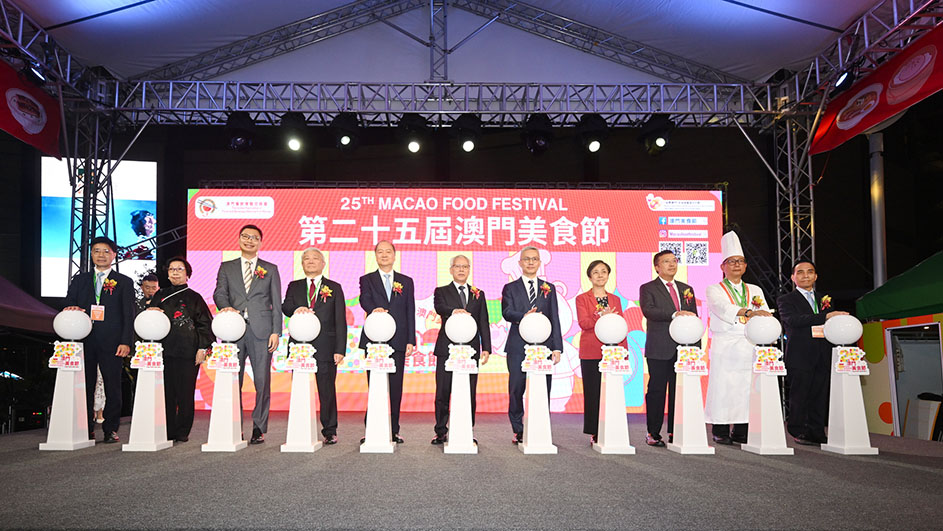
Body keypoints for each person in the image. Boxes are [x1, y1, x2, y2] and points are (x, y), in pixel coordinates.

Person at [213, 224, 283, 444]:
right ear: (239, 239)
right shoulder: (227, 267)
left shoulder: (270, 268)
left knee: (262, 381)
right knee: (234, 379)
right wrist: (226, 307)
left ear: (260, 242)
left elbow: (276, 302)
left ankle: (259, 427)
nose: (249, 240)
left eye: (254, 238)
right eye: (246, 236)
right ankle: (234, 424)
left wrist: (276, 331)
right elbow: (219, 293)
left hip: (262, 331)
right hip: (233, 330)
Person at [63, 236, 135, 443]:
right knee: (83, 385)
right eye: (96, 251)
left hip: (113, 342)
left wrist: (126, 341)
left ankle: (110, 429)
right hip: (84, 340)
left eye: (106, 251)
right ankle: (85, 428)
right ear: (91, 254)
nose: (101, 255)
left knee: (113, 386)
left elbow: (128, 314)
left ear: (114, 255)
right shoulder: (80, 280)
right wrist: (71, 307)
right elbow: (68, 302)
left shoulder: (124, 282)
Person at [704, 231, 772, 445]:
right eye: (731, 261)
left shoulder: (754, 289)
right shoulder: (714, 289)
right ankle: (721, 429)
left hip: (750, 344)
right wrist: (748, 312)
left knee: (748, 389)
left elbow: (765, 312)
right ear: (722, 266)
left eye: (740, 261)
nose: (736, 265)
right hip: (725, 344)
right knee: (723, 387)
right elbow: (721, 307)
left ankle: (742, 430)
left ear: (745, 266)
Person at [281, 247, 347, 445]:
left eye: (315, 258)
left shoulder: (334, 287)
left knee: (326, 391)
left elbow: (340, 319)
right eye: (306, 259)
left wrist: (340, 349)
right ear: (302, 264)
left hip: (326, 346)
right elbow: (285, 307)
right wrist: (297, 308)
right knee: (300, 388)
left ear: (323, 263)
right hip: (300, 347)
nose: (310, 261)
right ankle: (301, 427)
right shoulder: (294, 286)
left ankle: (330, 430)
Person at [778, 260, 848, 445]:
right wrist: (825, 316)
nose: (805, 275)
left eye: (809, 272)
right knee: (799, 395)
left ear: (815, 276)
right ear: (793, 277)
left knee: (820, 395)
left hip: (823, 352)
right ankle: (798, 430)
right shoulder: (786, 300)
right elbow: (794, 320)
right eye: (800, 272)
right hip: (800, 354)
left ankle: (817, 431)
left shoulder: (824, 299)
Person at [147, 257, 214, 442]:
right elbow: (149, 321)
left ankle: (183, 431)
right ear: (167, 273)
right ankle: (167, 430)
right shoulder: (160, 295)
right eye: (172, 269)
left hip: (188, 351)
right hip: (163, 351)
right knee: (166, 393)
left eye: (180, 269)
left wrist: (202, 348)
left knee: (185, 393)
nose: (175, 272)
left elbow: (205, 325)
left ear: (187, 274)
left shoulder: (195, 297)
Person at [501, 246, 562, 445]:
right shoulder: (510, 288)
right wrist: (524, 317)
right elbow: (506, 312)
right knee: (516, 388)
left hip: (543, 346)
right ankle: (518, 429)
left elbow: (554, 317)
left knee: (543, 387)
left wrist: (556, 347)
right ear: (520, 263)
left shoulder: (548, 288)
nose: (530, 262)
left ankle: (540, 426)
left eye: (534, 259)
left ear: (539, 262)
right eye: (526, 259)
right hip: (517, 345)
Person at [639, 250, 699, 447]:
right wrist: (675, 314)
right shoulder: (648, 288)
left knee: (679, 391)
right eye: (666, 261)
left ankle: (676, 430)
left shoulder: (686, 288)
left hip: (684, 349)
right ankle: (653, 432)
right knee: (656, 390)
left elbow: (693, 316)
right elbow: (649, 311)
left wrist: (695, 347)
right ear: (657, 267)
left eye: (674, 261)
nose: (672, 264)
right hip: (659, 347)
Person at [358, 240, 415, 444]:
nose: (384, 255)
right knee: (375, 385)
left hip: (399, 339)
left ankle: (394, 430)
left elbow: (409, 310)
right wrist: (373, 309)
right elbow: (364, 299)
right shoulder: (367, 279)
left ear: (394, 255)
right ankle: (371, 429)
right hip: (375, 339)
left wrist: (410, 340)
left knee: (396, 387)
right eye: (380, 252)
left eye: (388, 252)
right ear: (375, 256)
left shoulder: (406, 281)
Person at [431, 255, 491, 445]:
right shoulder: (441, 291)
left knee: (469, 391)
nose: (461, 269)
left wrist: (486, 347)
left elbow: (483, 321)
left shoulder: (478, 293)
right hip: (446, 349)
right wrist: (453, 311)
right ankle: (441, 431)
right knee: (443, 391)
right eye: (457, 266)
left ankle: (466, 429)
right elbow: (439, 307)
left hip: (470, 350)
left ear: (469, 269)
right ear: (451, 269)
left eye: (465, 266)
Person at [575, 259, 627, 444]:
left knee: (612, 392)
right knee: (593, 392)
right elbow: (584, 323)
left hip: (613, 353)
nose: (600, 275)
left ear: (608, 275)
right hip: (591, 351)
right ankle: (594, 430)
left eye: (603, 271)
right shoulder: (582, 299)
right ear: (590, 277)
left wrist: (624, 351)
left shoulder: (615, 300)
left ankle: (612, 427)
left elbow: (620, 326)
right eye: (596, 272)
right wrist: (600, 315)